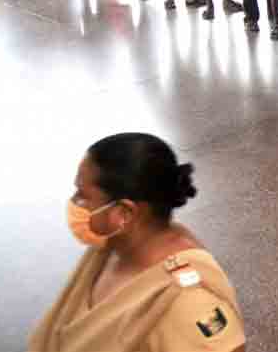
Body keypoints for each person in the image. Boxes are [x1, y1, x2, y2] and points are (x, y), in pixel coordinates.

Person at [28, 132, 246, 352]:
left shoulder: (186, 302)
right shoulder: (110, 247)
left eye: (83, 196)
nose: (74, 203)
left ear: (124, 213)